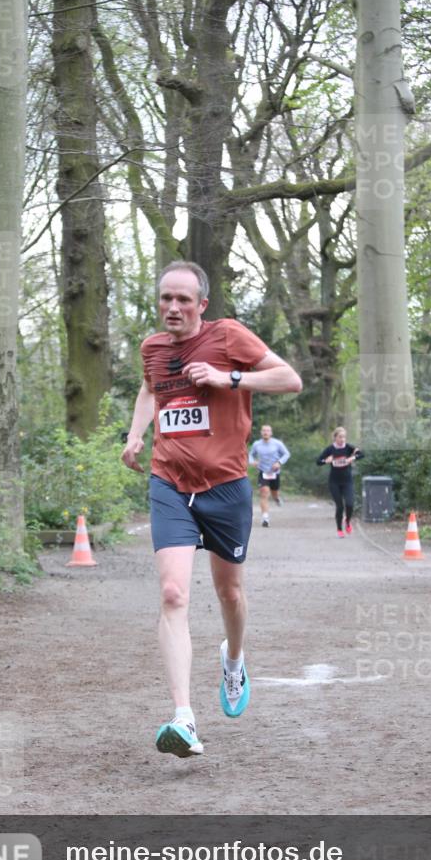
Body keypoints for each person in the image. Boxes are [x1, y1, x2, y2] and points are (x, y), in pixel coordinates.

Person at [122, 261, 302, 758]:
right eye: (165, 299)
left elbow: (290, 380)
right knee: (173, 592)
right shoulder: (153, 349)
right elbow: (149, 388)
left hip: (225, 487)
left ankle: (234, 658)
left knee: (230, 593)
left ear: (202, 304)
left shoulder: (228, 336)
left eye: (183, 299)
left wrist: (228, 378)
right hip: (169, 483)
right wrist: (136, 434)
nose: (173, 308)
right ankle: (183, 716)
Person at [317, 426, 364, 537]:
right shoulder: (330, 449)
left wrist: (353, 458)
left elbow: (361, 454)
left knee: (350, 504)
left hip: (347, 481)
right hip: (334, 482)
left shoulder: (348, 447)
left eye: (344, 437)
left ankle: (347, 522)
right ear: (335, 438)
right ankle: (339, 529)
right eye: (340, 437)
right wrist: (325, 461)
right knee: (340, 506)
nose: (342, 439)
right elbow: (318, 461)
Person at [248, 424, 291, 527]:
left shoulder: (277, 443)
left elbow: (286, 454)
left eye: (267, 431)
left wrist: (279, 463)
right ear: (261, 433)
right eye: (263, 431)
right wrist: (252, 462)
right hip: (263, 472)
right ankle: (265, 518)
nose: (265, 432)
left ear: (271, 433)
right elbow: (250, 455)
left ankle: (276, 499)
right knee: (264, 493)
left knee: (274, 493)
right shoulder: (257, 444)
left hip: (275, 472)